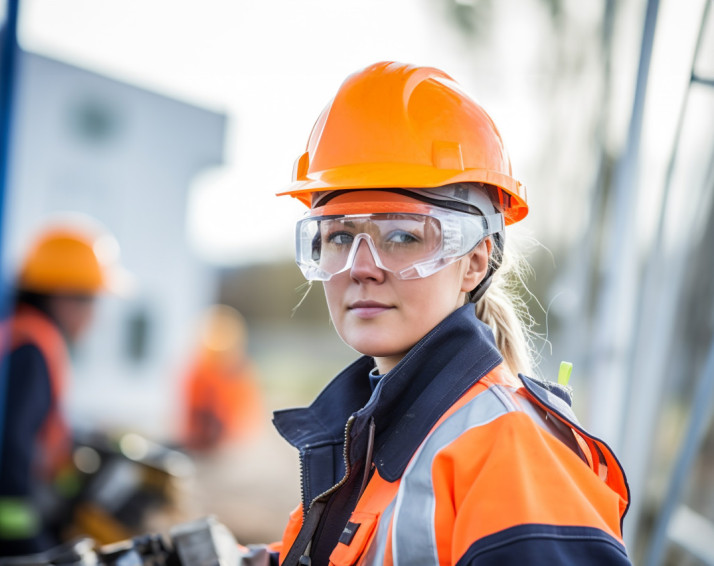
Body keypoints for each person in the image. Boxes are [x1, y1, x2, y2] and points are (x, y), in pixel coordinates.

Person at [260, 62, 631, 565]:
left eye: (403, 236)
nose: (362, 268)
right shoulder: (375, 433)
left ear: (473, 262)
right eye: (340, 236)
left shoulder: (512, 454)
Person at [0, 218, 126, 558]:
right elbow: (9, 455)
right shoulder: (31, 349)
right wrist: (31, 549)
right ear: (64, 295)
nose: (95, 317)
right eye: (93, 300)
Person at [179, 304, 263, 452]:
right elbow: (193, 408)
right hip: (200, 443)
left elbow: (243, 413)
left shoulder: (239, 372)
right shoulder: (200, 369)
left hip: (229, 445)